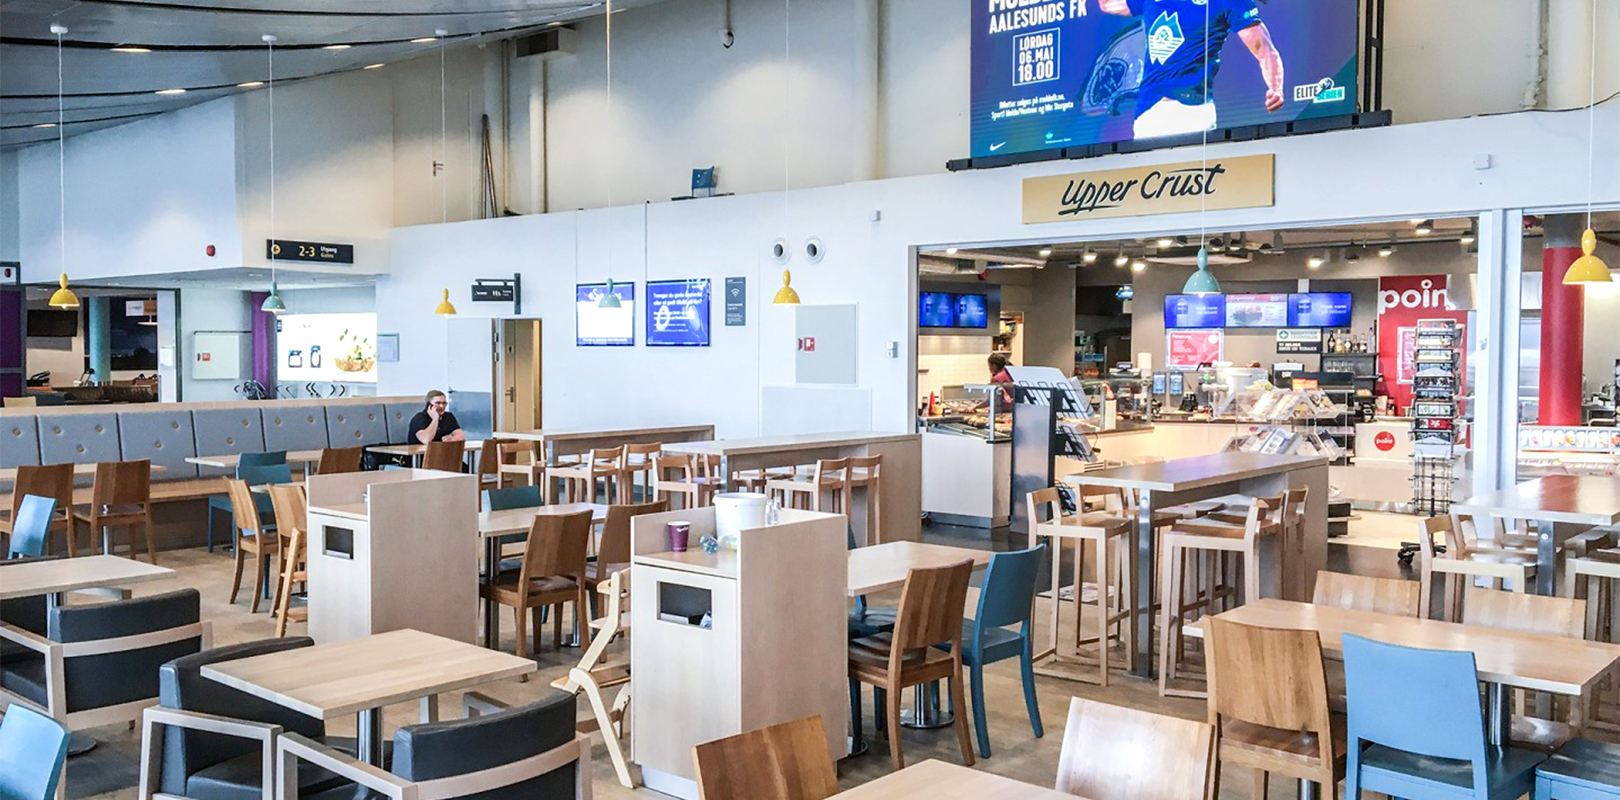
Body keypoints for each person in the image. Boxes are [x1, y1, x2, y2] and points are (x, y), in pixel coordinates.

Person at [1098, 0, 1284, 140]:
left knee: (1192, 178)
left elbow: (1264, 49)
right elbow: (1107, 4)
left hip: (1192, 111)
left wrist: (1275, 88)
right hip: (1148, 112)